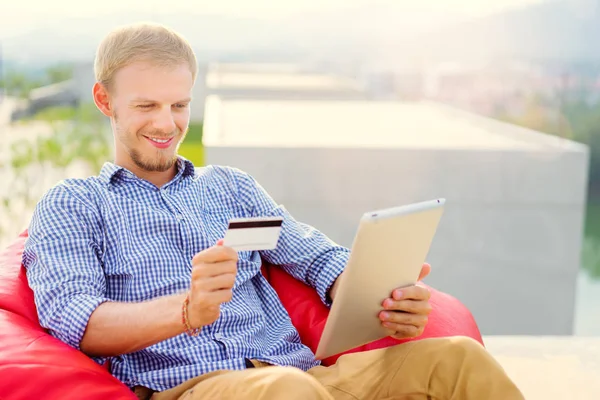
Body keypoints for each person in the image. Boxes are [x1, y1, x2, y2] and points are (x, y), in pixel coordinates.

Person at [23, 23, 524, 400]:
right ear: (104, 101)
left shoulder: (231, 189)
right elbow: (77, 322)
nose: (166, 123)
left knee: (457, 359)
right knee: (287, 391)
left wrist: (385, 297)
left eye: (179, 105)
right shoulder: (76, 204)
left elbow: (317, 259)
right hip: (194, 387)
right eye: (146, 106)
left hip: (308, 377)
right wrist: (186, 311)